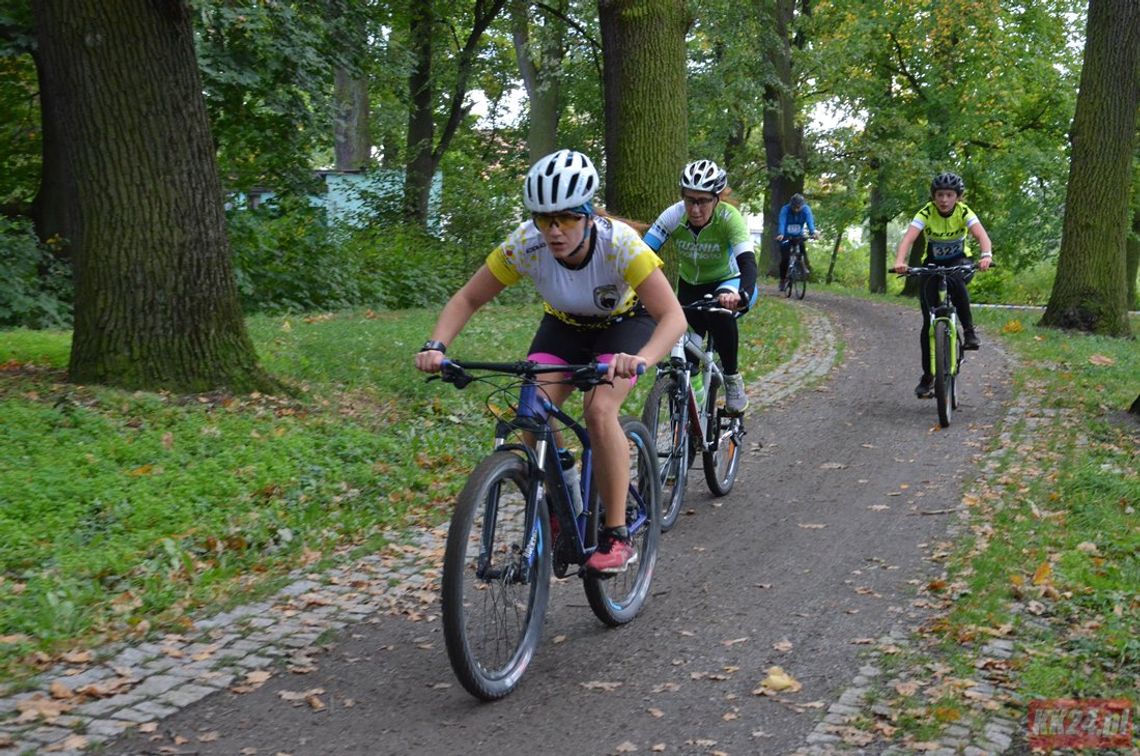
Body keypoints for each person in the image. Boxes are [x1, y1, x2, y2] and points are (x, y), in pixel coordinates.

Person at [414, 149, 686, 574]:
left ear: (588, 215)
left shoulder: (621, 246)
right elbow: (469, 297)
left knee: (599, 411)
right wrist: (437, 345)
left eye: (566, 219)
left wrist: (641, 358)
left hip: (625, 326)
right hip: (564, 326)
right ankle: (564, 499)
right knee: (530, 410)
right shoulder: (525, 244)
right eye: (544, 219)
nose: (554, 231)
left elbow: (673, 317)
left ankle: (616, 534)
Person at [643, 159, 757, 415]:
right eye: (689, 199)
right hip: (689, 286)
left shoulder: (729, 218)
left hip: (728, 281)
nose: (695, 209)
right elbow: (641, 256)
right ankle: (693, 408)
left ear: (717, 199)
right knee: (684, 355)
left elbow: (748, 262)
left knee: (722, 313)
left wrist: (743, 294)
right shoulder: (673, 215)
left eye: (703, 201)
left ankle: (731, 378)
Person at [892, 171, 993, 399]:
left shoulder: (964, 212)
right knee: (928, 322)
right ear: (933, 196)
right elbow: (909, 238)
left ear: (957, 196)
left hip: (960, 262)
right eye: (940, 195)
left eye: (949, 195)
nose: (944, 200)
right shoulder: (926, 212)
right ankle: (928, 376)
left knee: (957, 280)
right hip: (932, 265)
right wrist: (900, 261)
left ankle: (968, 332)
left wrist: (985, 255)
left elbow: (982, 237)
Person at [775, 193, 819, 291]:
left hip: (798, 235)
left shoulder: (806, 210)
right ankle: (782, 280)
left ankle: (802, 266)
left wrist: (813, 232)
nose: (796, 209)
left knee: (802, 249)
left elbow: (810, 222)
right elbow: (782, 221)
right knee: (785, 259)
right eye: (794, 207)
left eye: (798, 207)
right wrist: (781, 233)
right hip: (785, 236)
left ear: (802, 206)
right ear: (791, 205)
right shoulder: (785, 210)